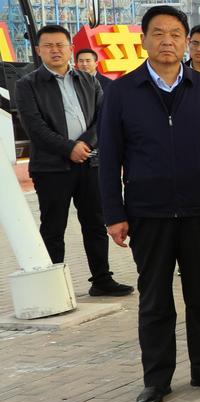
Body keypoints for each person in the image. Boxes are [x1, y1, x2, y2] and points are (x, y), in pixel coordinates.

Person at [99, 5, 200, 402]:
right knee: (155, 299)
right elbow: (109, 159)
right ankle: (156, 380)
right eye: (158, 33)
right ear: (143, 40)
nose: (167, 41)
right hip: (149, 213)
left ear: (186, 42)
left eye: (176, 34)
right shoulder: (123, 92)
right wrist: (114, 214)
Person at [12, 25, 131, 297]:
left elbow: (103, 118)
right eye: (48, 46)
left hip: (90, 163)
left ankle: (101, 279)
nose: (55, 50)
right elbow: (34, 127)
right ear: (38, 50)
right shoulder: (27, 85)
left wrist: (85, 144)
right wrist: (69, 148)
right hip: (52, 168)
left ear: (70, 48)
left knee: (95, 223)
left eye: (60, 45)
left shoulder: (88, 80)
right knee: (53, 228)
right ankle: (52, 287)